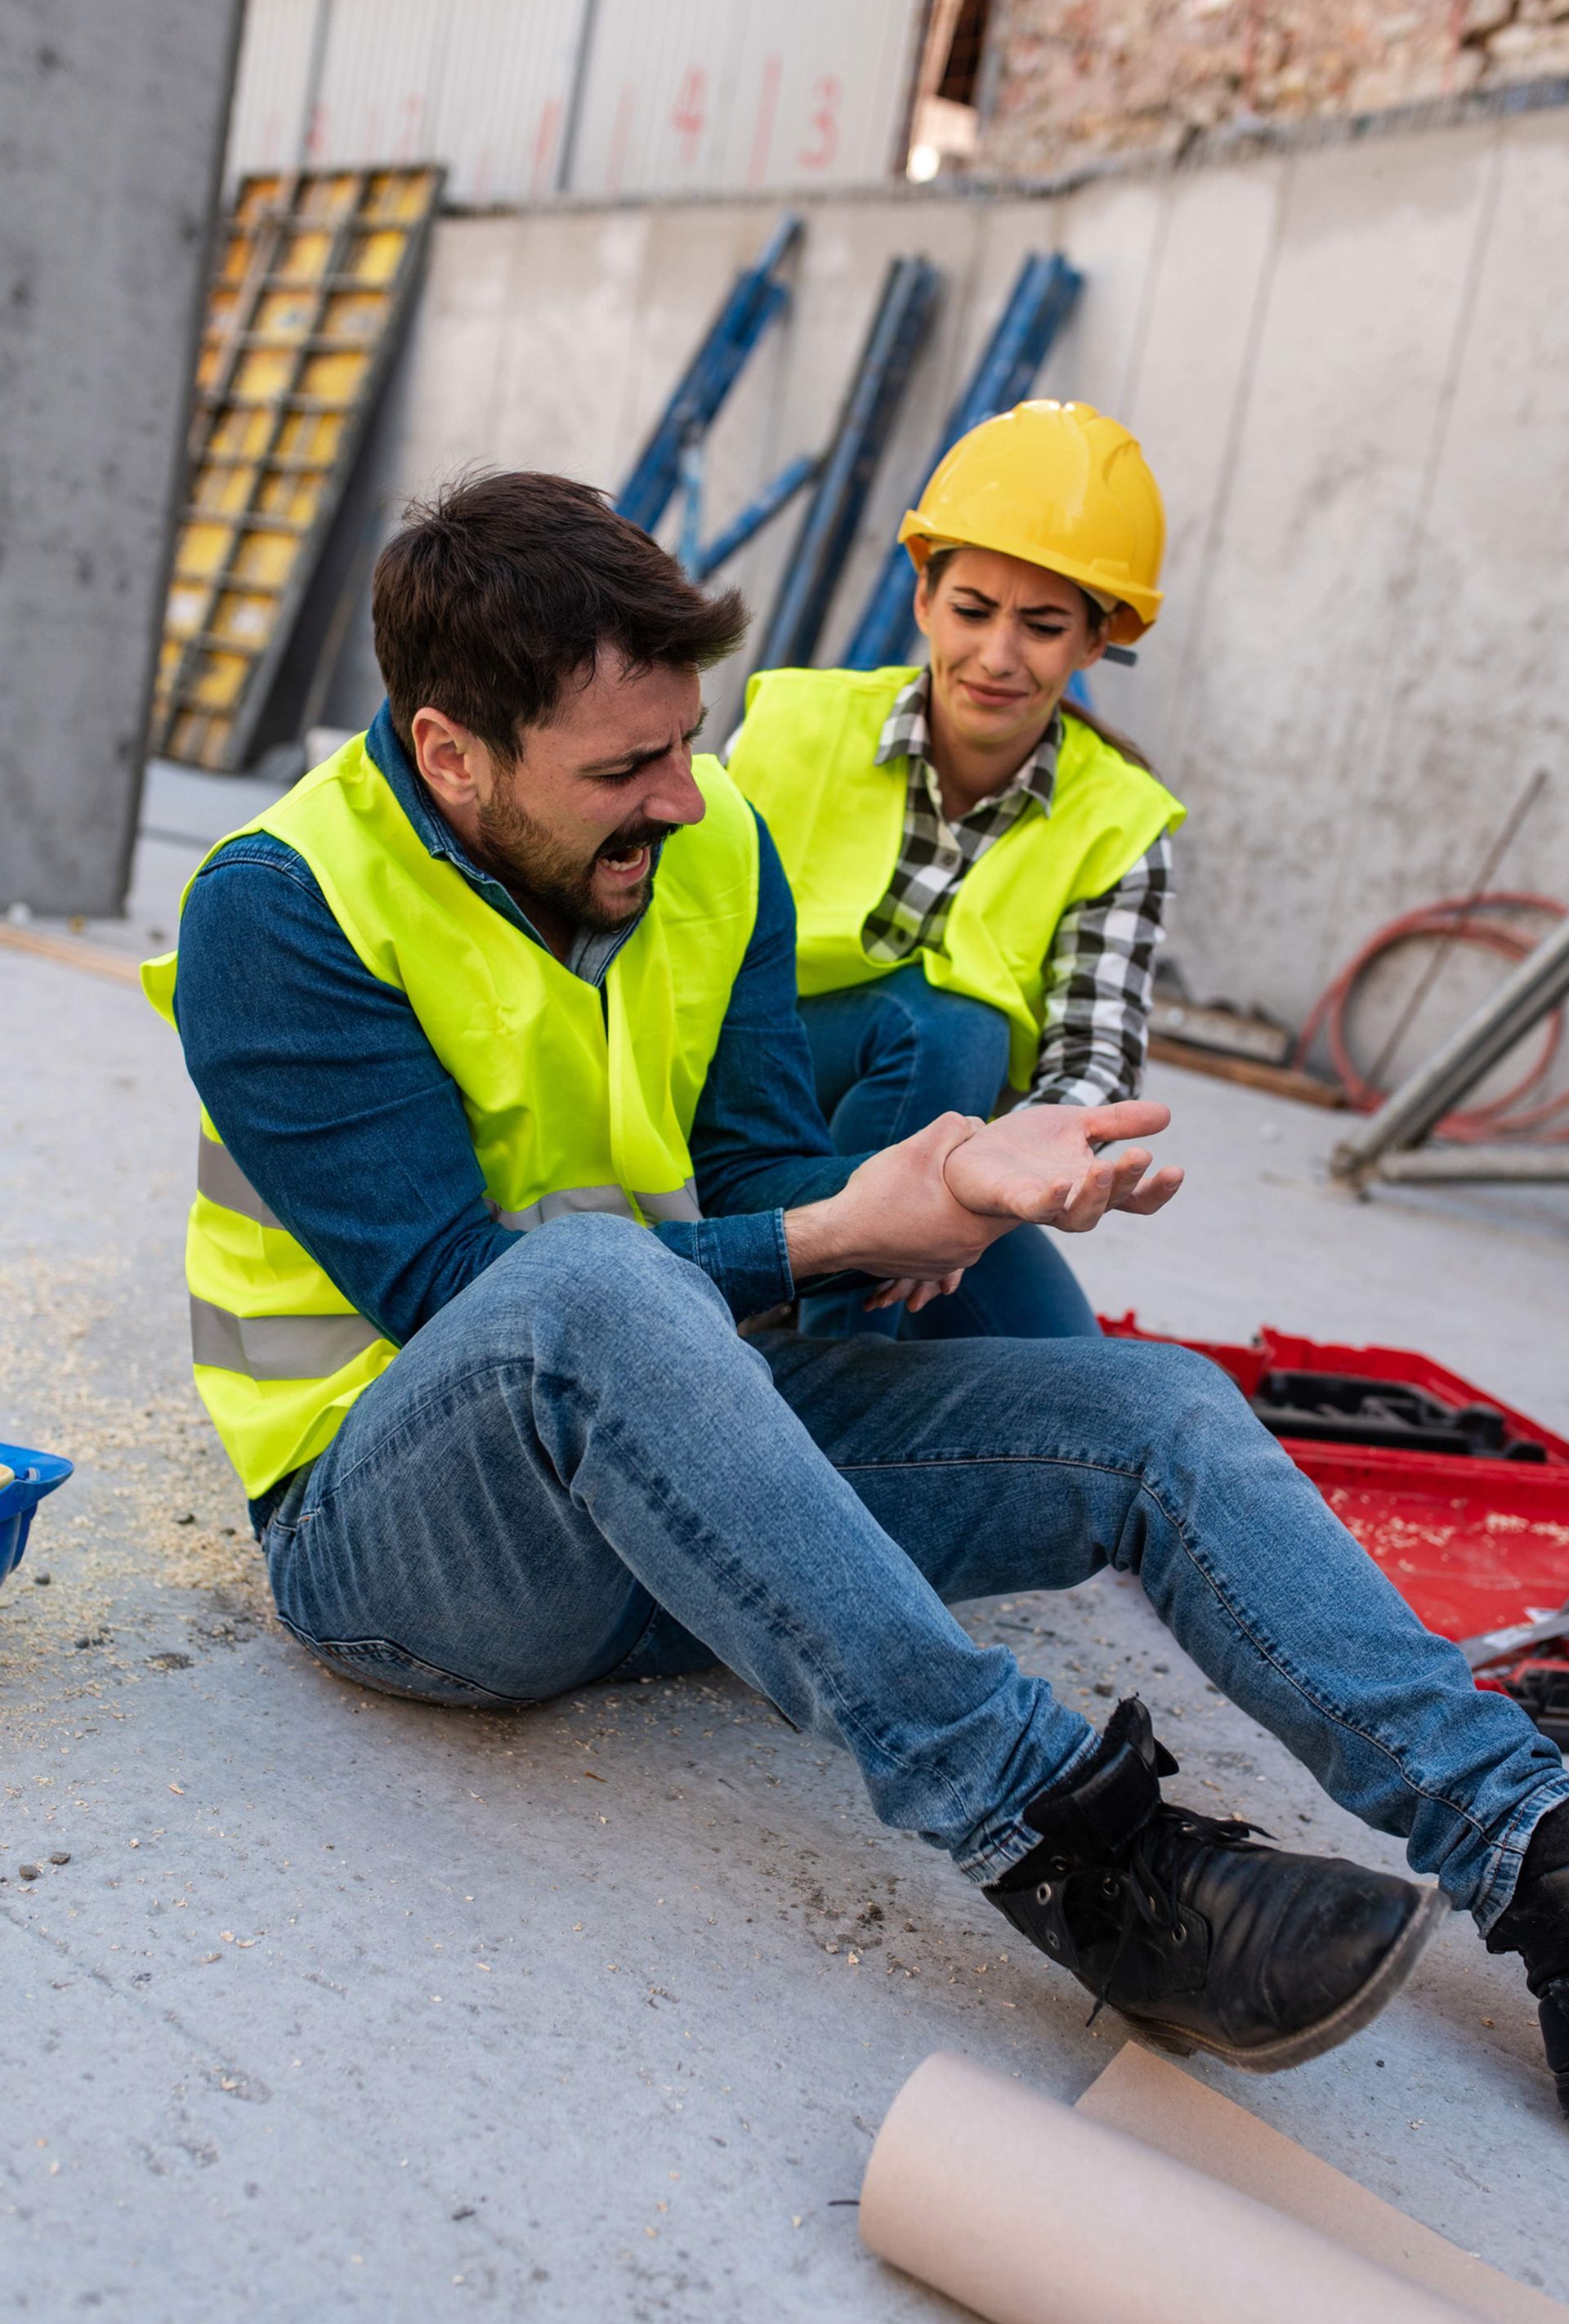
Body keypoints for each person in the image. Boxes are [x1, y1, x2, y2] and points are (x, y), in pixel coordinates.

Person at [145, 471, 1569, 2105]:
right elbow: (455, 1289)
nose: (685, 797)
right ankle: (1083, 1854)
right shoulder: (280, 905)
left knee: (1156, 1410)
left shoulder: (712, 838)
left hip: (677, 1480)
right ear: (452, 754)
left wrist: (934, 1192)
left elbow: (755, 1181)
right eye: (625, 768)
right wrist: (828, 1240)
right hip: (403, 1540)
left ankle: (1534, 1848)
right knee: (590, 1290)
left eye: (685, 743)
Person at [729, 398, 1177, 1343]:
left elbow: (1090, 1073)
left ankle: (849, 1321)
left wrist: (989, 1195)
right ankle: (831, 1360)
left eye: (1045, 625)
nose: (998, 656)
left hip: (952, 1148)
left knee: (1071, 1374)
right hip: (737, 1098)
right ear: (925, 600)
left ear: (1096, 642)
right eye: (971, 610)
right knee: (947, 1025)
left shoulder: (1121, 820)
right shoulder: (792, 729)